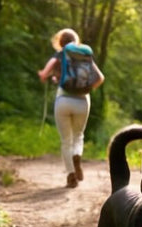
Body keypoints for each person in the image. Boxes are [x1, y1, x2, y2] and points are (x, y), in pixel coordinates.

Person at [38, 28, 104, 188]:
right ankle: (77, 155)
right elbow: (100, 78)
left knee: (66, 141)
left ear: (60, 43)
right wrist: (86, 88)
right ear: (76, 41)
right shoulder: (84, 56)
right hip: (83, 101)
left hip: (63, 100)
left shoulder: (61, 54)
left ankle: (71, 176)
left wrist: (45, 75)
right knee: (78, 136)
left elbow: (46, 71)